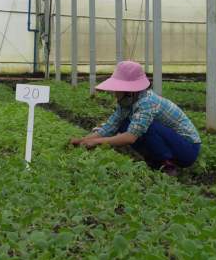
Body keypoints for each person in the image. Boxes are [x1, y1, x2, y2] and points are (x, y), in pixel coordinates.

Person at [70, 61, 201, 176]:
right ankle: (156, 161)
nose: (115, 94)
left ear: (129, 91)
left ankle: (166, 165)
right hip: (173, 143)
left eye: (118, 89)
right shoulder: (126, 103)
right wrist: (83, 140)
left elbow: (130, 137)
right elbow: (109, 128)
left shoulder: (147, 102)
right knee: (123, 124)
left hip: (187, 149)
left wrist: (97, 142)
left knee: (147, 128)